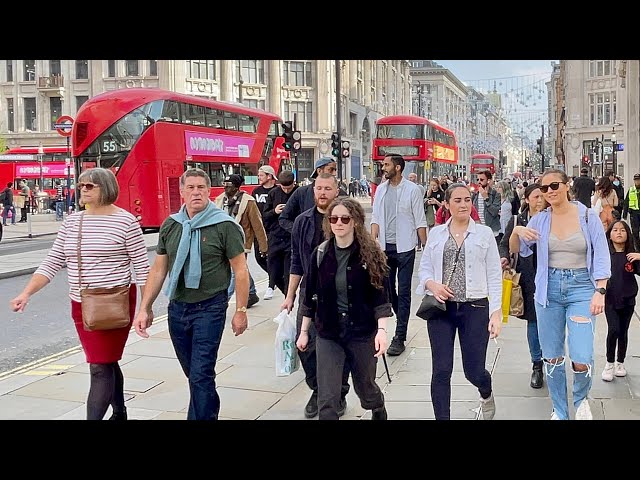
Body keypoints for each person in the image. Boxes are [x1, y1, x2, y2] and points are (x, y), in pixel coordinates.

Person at [10, 168, 150, 420]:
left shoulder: (126, 221)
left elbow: (142, 269)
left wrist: (145, 308)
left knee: (98, 367)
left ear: (105, 188)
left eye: (90, 186)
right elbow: (53, 261)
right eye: (82, 185)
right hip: (81, 303)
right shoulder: (73, 221)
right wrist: (26, 293)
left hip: (113, 302)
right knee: (105, 361)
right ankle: (120, 412)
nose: (83, 189)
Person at [133, 168, 249, 420]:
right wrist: (145, 307)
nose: (196, 192)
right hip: (178, 308)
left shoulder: (223, 225)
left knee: (201, 373)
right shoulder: (171, 225)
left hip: (210, 307)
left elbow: (240, 270)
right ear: (182, 192)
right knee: (194, 374)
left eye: (201, 188)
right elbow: (158, 268)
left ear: (209, 191)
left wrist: (240, 310)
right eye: (191, 188)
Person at [513, 169, 610, 420]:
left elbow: (601, 255)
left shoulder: (588, 217)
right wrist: (516, 233)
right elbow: (519, 251)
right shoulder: (540, 220)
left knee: (581, 356)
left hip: (582, 287)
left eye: (554, 185)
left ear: (567, 185)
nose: (549, 192)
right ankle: (559, 409)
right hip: (549, 289)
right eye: (544, 189)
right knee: (552, 355)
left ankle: (580, 400)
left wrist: (600, 290)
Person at [297, 197, 393, 420]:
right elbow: (309, 297)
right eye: (333, 219)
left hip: (361, 332)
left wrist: (382, 331)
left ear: (355, 222)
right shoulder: (320, 254)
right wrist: (303, 332)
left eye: (344, 218)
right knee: (328, 397)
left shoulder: (370, 255)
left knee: (365, 389)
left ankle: (377, 405)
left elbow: (380, 298)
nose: (338, 223)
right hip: (328, 332)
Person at [417, 183, 503, 420]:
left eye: (467, 199)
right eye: (457, 200)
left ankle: (486, 390)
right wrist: (432, 284)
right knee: (441, 370)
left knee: (473, 371)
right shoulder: (436, 233)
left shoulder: (484, 234)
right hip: (441, 308)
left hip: (474, 308)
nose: (464, 204)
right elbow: (424, 270)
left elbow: (495, 275)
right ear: (446, 204)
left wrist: (496, 313)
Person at [281, 173, 351, 418]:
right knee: (306, 346)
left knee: (338, 346)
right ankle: (319, 388)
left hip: (340, 295)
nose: (322, 192)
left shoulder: (346, 218)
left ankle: (338, 392)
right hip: (308, 294)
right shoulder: (302, 221)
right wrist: (289, 295)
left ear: (336, 190)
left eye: (327, 188)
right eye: (318, 188)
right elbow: (296, 261)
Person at [371, 154, 427, 356]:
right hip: (385, 248)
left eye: (386, 165)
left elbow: (420, 220)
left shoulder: (412, 190)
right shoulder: (381, 190)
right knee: (386, 289)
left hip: (405, 249)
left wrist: (426, 249)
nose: (383, 167)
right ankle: (398, 311)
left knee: (403, 291)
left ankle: (400, 336)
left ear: (398, 168)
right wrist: (372, 243)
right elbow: (376, 218)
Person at [502, 183, 547, 389]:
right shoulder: (518, 220)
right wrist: (504, 258)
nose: (540, 200)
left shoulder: (552, 218)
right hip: (528, 276)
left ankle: (553, 359)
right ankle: (537, 365)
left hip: (550, 274)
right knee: (534, 322)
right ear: (527, 199)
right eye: (536, 196)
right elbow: (505, 244)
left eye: (542, 196)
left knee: (552, 321)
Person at [215, 173, 267, 308]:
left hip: (240, 242)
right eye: (224, 185)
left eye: (229, 186)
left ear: (237, 187)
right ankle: (251, 293)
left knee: (233, 271)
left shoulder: (248, 202)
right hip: (222, 241)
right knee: (240, 268)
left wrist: (264, 246)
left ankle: (223, 301)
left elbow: (258, 225)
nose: (225, 188)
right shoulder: (219, 200)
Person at [601, 220, 640, 382]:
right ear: (609, 234)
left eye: (622, 230)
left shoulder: (632, 256)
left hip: (628, 299)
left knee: (623, 331)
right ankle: (609, 363)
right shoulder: (604, 255)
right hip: (610, 299)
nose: (619, 233)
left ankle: (620, 362)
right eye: (615, 230)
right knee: (614, 329)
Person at [279, 157, 347, 234]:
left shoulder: (342, 195)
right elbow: (284, 218)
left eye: (328, 189)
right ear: (319, 171)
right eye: (331, 169)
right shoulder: (301, 192)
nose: (334, 173)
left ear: (336, 192)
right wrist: (300, 232)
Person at [263, 170, 297, 297]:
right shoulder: (273, 193)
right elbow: (264, 215)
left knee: (289, 269)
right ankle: (272, 286)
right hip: (275, 236)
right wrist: (274, 211)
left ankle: (289, 296)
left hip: (291, 236)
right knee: (272, 265)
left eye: (289, 188)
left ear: (294, 183)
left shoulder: (299, 192)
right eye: (284, 188)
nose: (286, 191)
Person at [252, 165, 277, 298]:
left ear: (269, 176)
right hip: (259, 229)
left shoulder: (277, 191)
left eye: (261, 175)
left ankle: (271, 285)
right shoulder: (256, 191)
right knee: (259, 257)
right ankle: (275, 277)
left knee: (272, 258)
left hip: (273, 229)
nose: (259, 177)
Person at [471, 170, 501, 244]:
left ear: (488, 180)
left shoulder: (495, 194)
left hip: (492, 230)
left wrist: (486, 198)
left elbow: (494, 212)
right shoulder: (475, 195)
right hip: (478, 229)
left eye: (482, 180)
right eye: (478, 179)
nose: (479, 182)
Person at [622, 173, 640, 251]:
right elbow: (626, 202)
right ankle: (637, 248)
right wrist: (624, 214)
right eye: (636, 180)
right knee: (635, 232)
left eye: (638, 180)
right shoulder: (631, 190)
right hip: (634, 214)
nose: (637, 182)